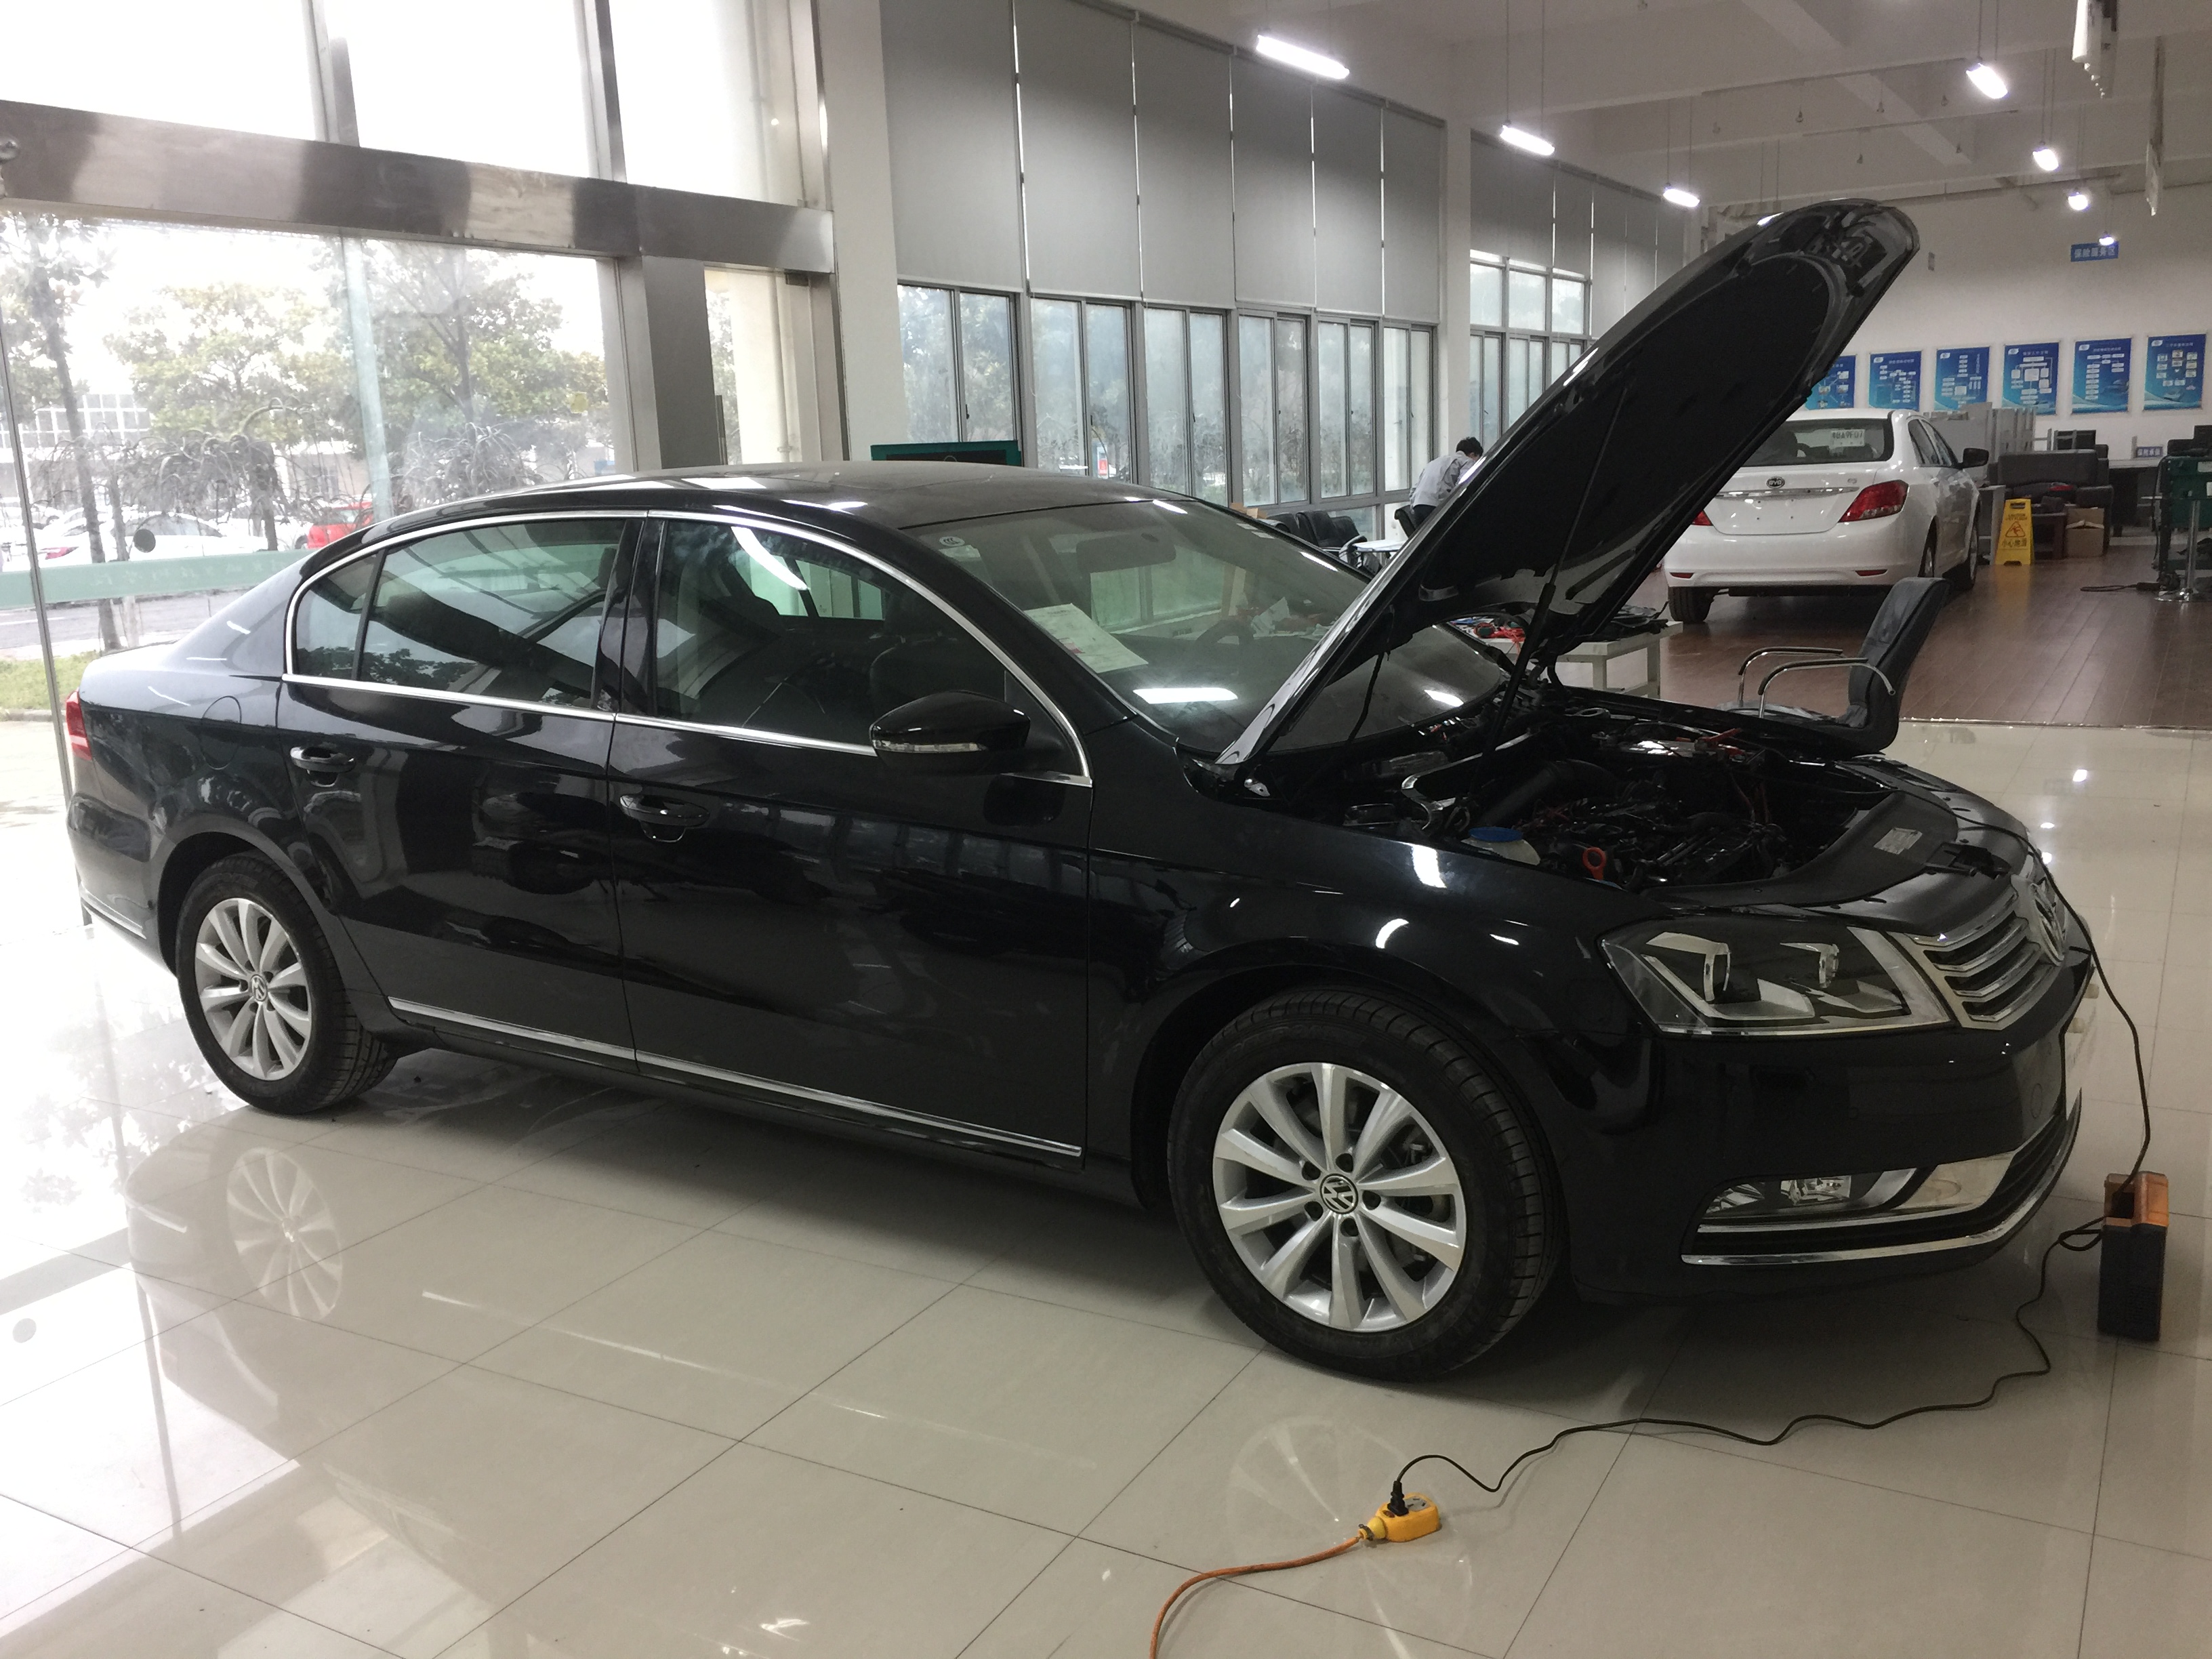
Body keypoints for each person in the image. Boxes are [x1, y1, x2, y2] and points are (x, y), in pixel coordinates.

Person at [1403, 436, 1483, 531]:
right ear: (1472, 455)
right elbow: (1462, 484)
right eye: (1477, 459)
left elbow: (1414, 490)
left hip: (1418, 507)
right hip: (1436, 506)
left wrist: (1414, 505)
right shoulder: (1468, 461)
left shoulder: (1435, 462)